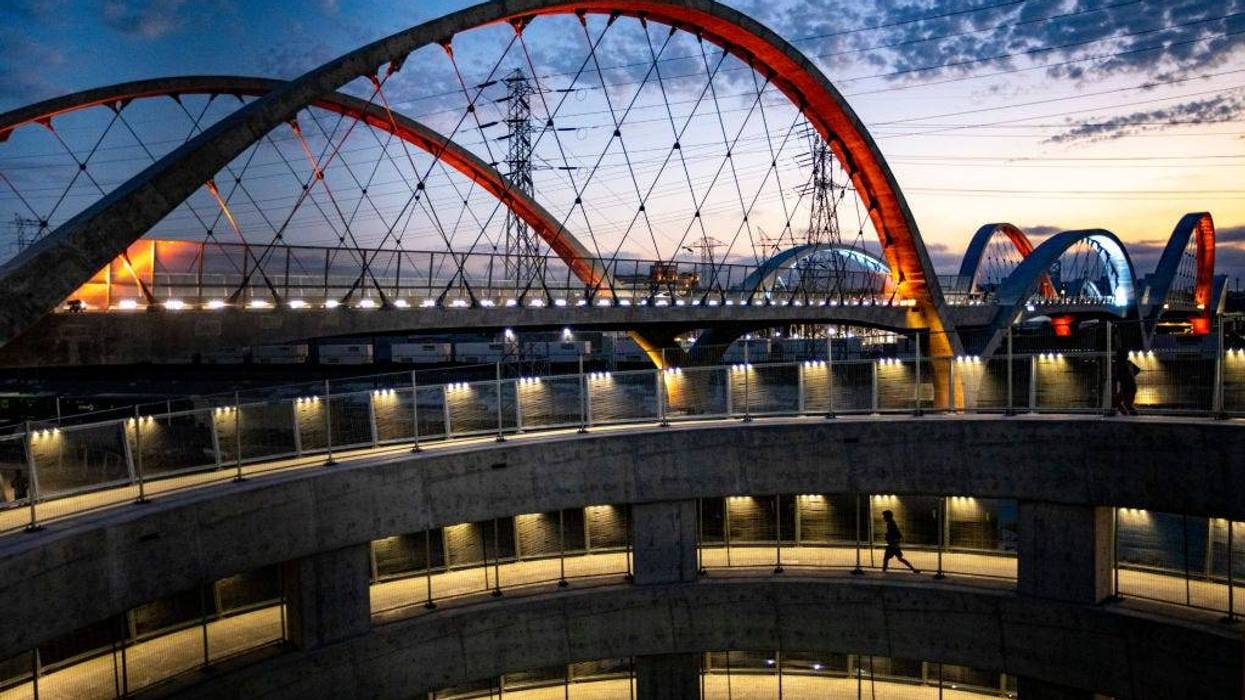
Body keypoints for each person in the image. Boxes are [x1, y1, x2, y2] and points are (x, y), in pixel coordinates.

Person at [1113, 347, 1140, 416]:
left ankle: (1128, 415)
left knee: (1120, 402)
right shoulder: (1128, 363)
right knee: (1124, 403)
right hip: (1130, 386)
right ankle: (1129, 415)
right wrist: (1131, 376)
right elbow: (1137, 370)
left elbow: (1118, 376)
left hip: (1126, 387)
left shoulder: (1120, 364)